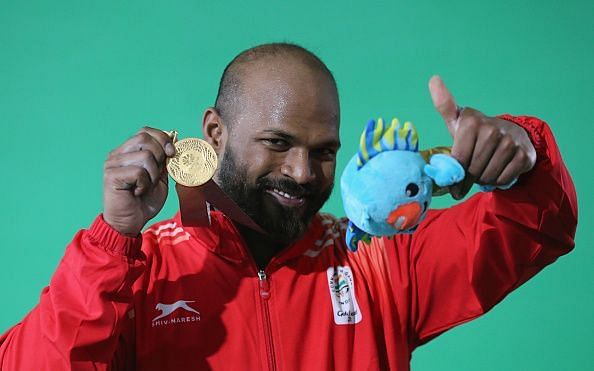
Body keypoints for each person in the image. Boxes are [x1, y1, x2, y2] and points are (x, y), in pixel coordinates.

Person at [0, 43, 577, 370]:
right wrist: (112, 240)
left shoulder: (378, 266)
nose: (303, 174)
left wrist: (524, 148)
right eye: (277, 143)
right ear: (215, 133)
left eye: (323, 151)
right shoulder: (137, 273)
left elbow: (537, 223)